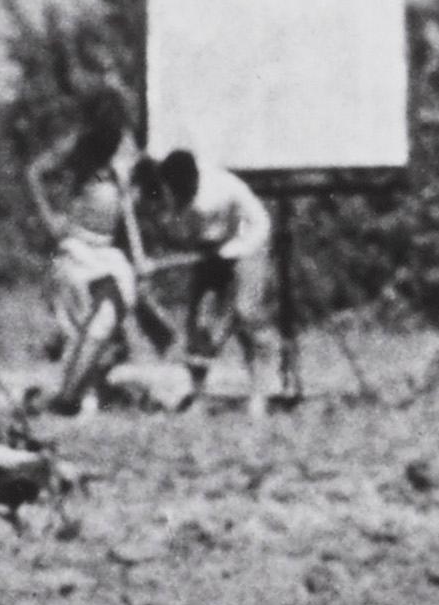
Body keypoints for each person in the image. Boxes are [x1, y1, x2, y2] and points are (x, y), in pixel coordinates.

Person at [25, 92, 142, 416]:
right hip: (76, 246)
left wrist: (137, 248)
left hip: (108, 248)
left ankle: (68, 396)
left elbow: (128, 203)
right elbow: (34, 172)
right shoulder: (77, 146)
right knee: (78, 325)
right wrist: (50, 219)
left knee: (109, 317)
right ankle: (77, 397)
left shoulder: (128, 148)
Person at [137, 146, 274, 413]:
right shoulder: (173, 193)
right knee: (199, 325)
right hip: (213, 247)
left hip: (250, 242)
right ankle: (198, 394)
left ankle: (260, 394)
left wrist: (232, 252)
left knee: (245, 313)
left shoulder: (216, 194)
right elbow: (192, 242)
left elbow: (258, 224)